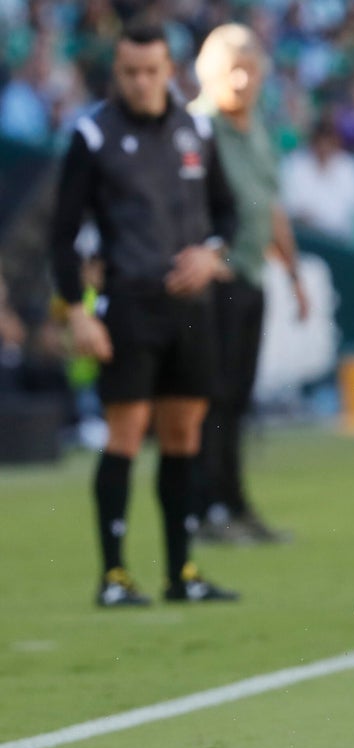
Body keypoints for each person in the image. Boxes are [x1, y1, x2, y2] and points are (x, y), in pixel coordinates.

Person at [49, 20, 240, 606]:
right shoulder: (92, 135)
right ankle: (113, 575)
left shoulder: (196, 130)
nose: (141, 81)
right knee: (126, 434)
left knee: (183, 434)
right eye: (130, 72)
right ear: (117, 73)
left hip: (190, 307)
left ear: (168, 71)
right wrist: (77, 314)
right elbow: (61, 237)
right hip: (127, 304)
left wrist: (210, 258)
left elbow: (227, 216)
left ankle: (182, 573)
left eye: (151, 70)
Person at [190, 23, 309, 545]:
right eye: (230, 68)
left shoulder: (257, 127)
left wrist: (294, 273)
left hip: (251, 277)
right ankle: (203, 509)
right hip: (211, 282)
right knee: (207, 400)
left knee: (235, 400)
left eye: (250, 68)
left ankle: (232, 504)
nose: (241, 79)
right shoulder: (194, 128)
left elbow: (271, 205)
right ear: (208, 73)